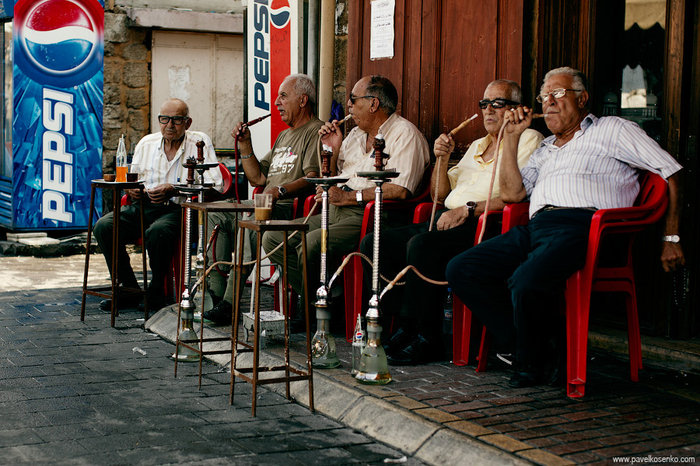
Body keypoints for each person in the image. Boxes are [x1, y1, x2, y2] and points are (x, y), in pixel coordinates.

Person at [446, 67, 685, 388]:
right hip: (539, 227)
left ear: (582, 99)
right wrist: (510, 138)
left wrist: (671, 237)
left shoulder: (612, 130)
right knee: (463, 268)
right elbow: (515, 194)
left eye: (558, 95)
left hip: (589, 228)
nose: (549, 103)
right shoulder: (546, 149)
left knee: (524, 281)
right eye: (544, 97)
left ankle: (531, 363)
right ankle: (539, 347)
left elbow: (670, 172)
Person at [360, 80, 543, 365]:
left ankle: (427, 337)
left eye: (498, 103)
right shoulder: (478, 145)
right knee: (375, 241)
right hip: (448, 216)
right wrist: (442, 160)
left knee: (421, 246)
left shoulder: (528, 138)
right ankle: (403, 326)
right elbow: (439, 194)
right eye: (484, 104)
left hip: (487, 223)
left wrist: (468, 210)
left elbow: (517, 197)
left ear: (516, 108)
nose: (489, 110)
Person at [262, 75, 430, 306]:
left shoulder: (405, 134)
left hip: (371, 215)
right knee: (273, 237)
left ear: (373, 103)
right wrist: (331, 149)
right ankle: (321, 298)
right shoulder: (354, 135)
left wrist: (350, 196)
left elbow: (401, 190)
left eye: (353, 99)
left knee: (311, 243)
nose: (348, 106)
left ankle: (315, 307)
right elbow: (331, 177)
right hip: (338, 209)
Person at [203, 74, 322, 324]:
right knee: (215, 212)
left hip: (288, 209)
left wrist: (280, 191)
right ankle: (214, 292)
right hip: (266, 204)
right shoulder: (284, 136)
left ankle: (230, 303)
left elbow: (313, 177)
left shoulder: (315, 132)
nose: (277, 102)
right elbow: (257, 178)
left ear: (302, 100)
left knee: (249, 217)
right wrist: (245, 145)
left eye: (283, 96)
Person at [94, 98, 223, 311]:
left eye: (176, 120)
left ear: (187, 123)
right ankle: (129, 289)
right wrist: (131, 189)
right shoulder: (147, 143)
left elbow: (215, 184)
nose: (169, 125)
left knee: (158, 231)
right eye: (164, 119)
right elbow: (131, 179)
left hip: (181, 208)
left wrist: (174, 189)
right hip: (145, 204)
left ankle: (156, 291)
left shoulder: (199, 142)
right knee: (104, 226)